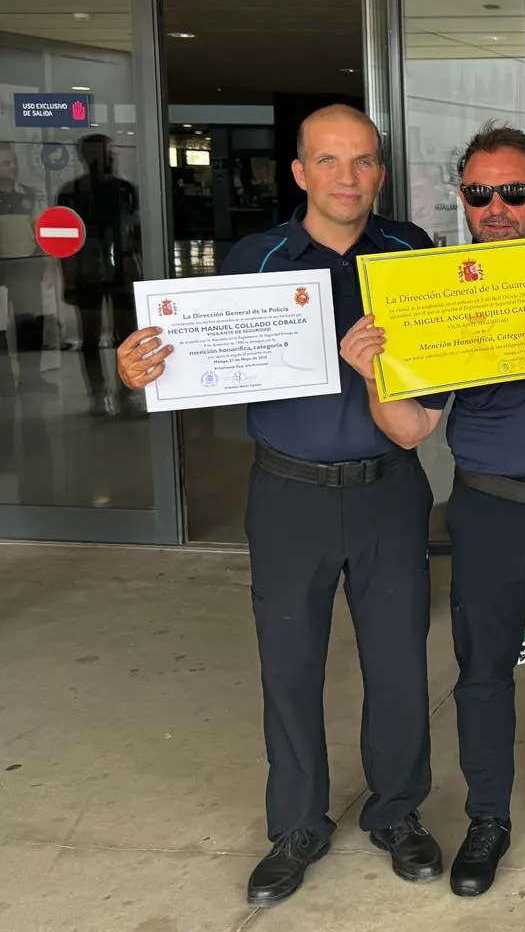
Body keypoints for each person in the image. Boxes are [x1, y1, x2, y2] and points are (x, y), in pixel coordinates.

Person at [115, 105, 443, 907]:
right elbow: (199, 356)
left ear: (381, 172)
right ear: (299, 173)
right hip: (289, 493)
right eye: (328, 160)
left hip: (388, 488)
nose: (346, 177)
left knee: (399, 662)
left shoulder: (411, 254)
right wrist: (143, 368)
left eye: (362, 160)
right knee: (290, 663)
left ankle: (397, 812)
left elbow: (429, 385)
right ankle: (296, 824)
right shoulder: (255, 259)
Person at [338, 124, 525, 899]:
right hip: (488, 508)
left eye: (513, 190)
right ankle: (488, 817)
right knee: (483, 669)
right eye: (479, 192)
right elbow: (411, 429)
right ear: (463, 199)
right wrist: (373, 374)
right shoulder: (438, 289)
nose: (496, 207)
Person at [58, 132, 141, 416]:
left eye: (107, 152)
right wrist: (69, 278)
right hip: (88, 272)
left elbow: (136, 234)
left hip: (123, 271)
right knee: (90, 339)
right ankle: (97, 396)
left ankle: (127, 395)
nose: (106, 158)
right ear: (86, 156)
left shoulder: (125, 190)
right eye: (99, 153)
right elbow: (65, 243)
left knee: (126, 335)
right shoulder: (71, 192)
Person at [0, 143, 50, 395]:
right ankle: (4, 381)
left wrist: (48, 264)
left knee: (29, 326)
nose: (13, 167)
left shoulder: (30, 195)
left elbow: (42, 232)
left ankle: (32, 379)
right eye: (6, 163)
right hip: (1, 269)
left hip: (27, 267)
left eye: (14, 162)